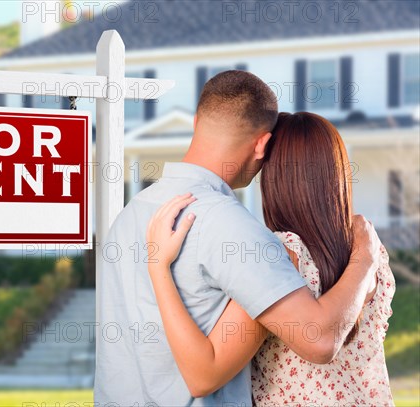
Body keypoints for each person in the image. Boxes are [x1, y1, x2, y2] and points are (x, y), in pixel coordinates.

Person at [94, 70, 382, 406]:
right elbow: (317, 339)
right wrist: (366, 258)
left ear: (197, 121)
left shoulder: (133, 213)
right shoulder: (230, 225)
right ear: (262, 144)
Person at [146, 112, 394, 405]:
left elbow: (204, 375)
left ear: (275, 178)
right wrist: (364, 255)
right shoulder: (369, 250)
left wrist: (158, 266)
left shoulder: (282, 255)